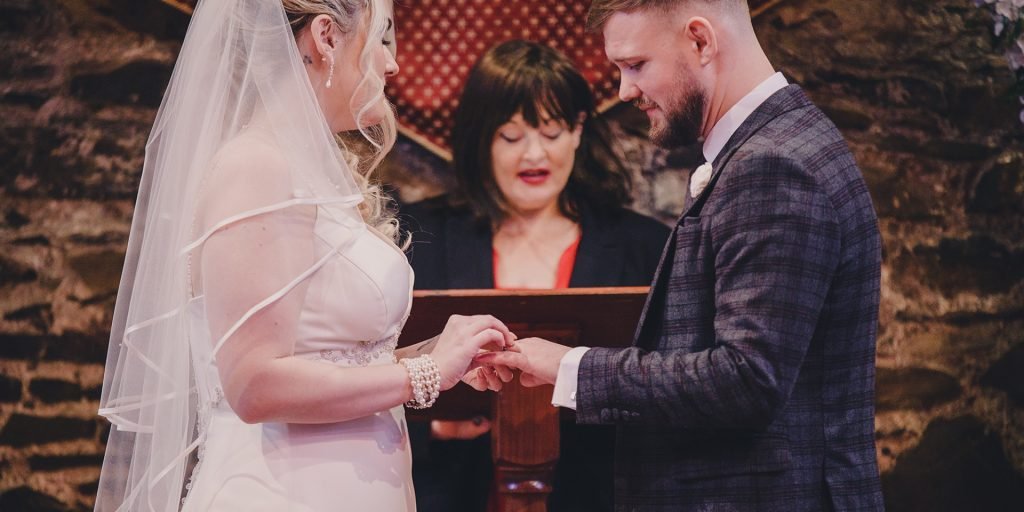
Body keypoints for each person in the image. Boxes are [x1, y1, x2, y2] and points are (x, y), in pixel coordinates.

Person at [94, 1, 515, 511]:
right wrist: (422, 376)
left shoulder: (303, 166)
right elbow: (255, 384)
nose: (392, 64)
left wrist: (432, 355)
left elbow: (328, 357)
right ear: (326, 37)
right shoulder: (256, 167)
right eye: (381, 38)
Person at [478, 1, 886, 510]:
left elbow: (745, 379)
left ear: (700, 40)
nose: (626, 90)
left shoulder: (774, 165)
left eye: (635, 65)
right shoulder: (772, 146)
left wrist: (570, 367)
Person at [401, 40, 669, 512]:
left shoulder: (641, 245)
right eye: (511, 136)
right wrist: (435, 423)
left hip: (598, 493)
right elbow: (366, 365)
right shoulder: (420, 240)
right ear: (480, 138)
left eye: (551, 131)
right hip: (451, 490)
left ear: (578, 131)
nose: (534, 155)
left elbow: (667, 386)